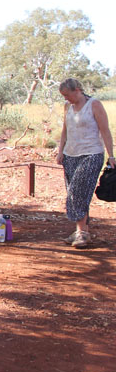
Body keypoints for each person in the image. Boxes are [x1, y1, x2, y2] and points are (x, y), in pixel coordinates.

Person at [56, 78, 115, 248]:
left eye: (67, 95)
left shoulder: (94, 105)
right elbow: (65, 130)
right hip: (70, 155)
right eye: (63, 96)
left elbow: (105, 131)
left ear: (77, 90)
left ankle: (82, 232)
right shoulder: (67, 107)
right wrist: (60, 151)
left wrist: (111, 155)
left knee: (77, 192)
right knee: (76, 193)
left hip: (91, 154)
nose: (66, 98)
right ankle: (81, 231)